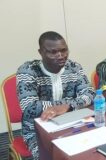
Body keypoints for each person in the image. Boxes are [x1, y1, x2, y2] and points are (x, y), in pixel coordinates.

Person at [16, 31, 95, 159]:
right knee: (50, 157)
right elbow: (30, 107)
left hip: (74, 121)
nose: (60, 56)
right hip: (37, 130)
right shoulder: (28, 70)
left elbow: (90, 94)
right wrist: (66, 105)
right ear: (40, 52)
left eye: (64, 50)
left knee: (92, 151)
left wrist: (67, 106)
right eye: (53, 52)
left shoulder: (74, 67)